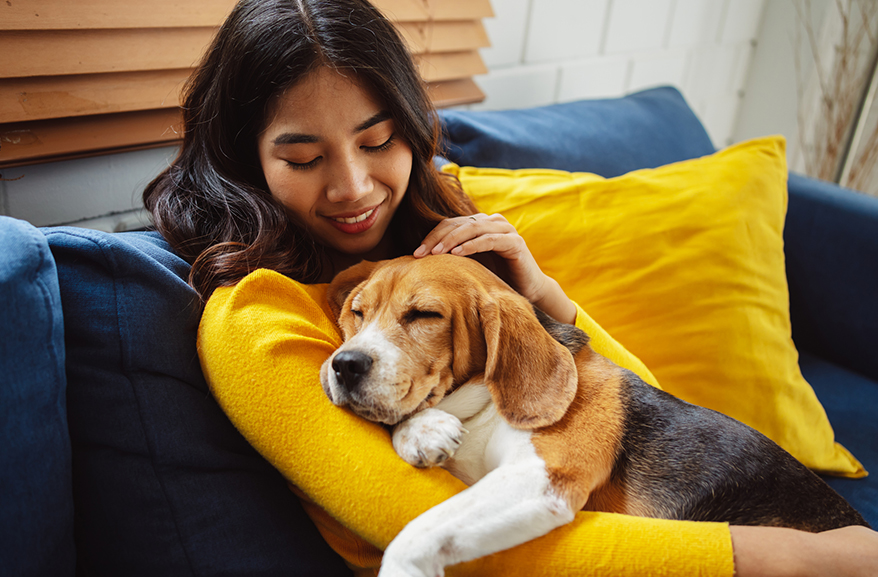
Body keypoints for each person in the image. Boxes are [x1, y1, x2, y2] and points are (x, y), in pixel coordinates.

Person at [144, 0, 878, 575]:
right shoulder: (255, 314)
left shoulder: (446, 257)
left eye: (377, 141)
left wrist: (543, 296)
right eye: (303, 156)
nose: (354, 186)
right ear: (245, 159)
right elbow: (435, 529)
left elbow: (625, 419)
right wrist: (799, 558)